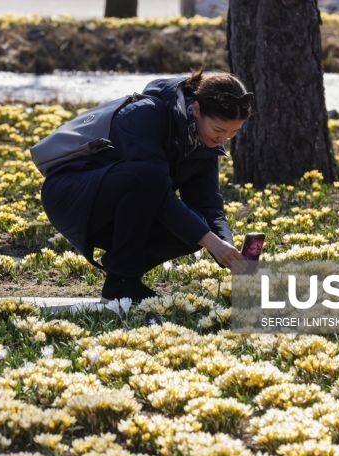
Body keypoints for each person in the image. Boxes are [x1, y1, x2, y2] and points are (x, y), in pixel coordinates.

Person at [41, 71, 254, 302]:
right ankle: (122, 284)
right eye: (219, 130)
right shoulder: (145, 114)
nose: (223, 140)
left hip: (122, 203)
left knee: (194, 228)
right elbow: (156, 192)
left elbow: (208, 206)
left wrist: (227, 250)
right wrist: (210, 240)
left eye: (233, 133)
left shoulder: (203, 141)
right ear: (197, 109)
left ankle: (121, 272)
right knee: (151, 180)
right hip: (71, 194)